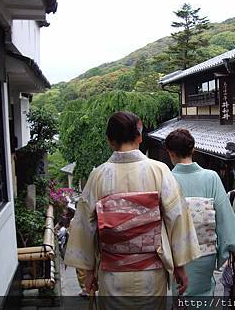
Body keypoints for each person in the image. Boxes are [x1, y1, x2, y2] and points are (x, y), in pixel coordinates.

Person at [64, 111, 201, 308]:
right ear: (139, 137)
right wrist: (180, 266)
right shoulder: (159, 170)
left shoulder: (98, 176)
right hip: (151, 274)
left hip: (112, 275)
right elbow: (177, 217)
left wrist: (89, 271)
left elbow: (84, 225)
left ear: (110, 141)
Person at [164, 128, 235, 296]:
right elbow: (224, 217)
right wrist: (233, 243)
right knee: (203, 295)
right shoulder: (211, 177)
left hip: (175, 256)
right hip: (204, 255)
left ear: (170, 153)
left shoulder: (165, 180)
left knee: (178, 296)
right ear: (193, 150)